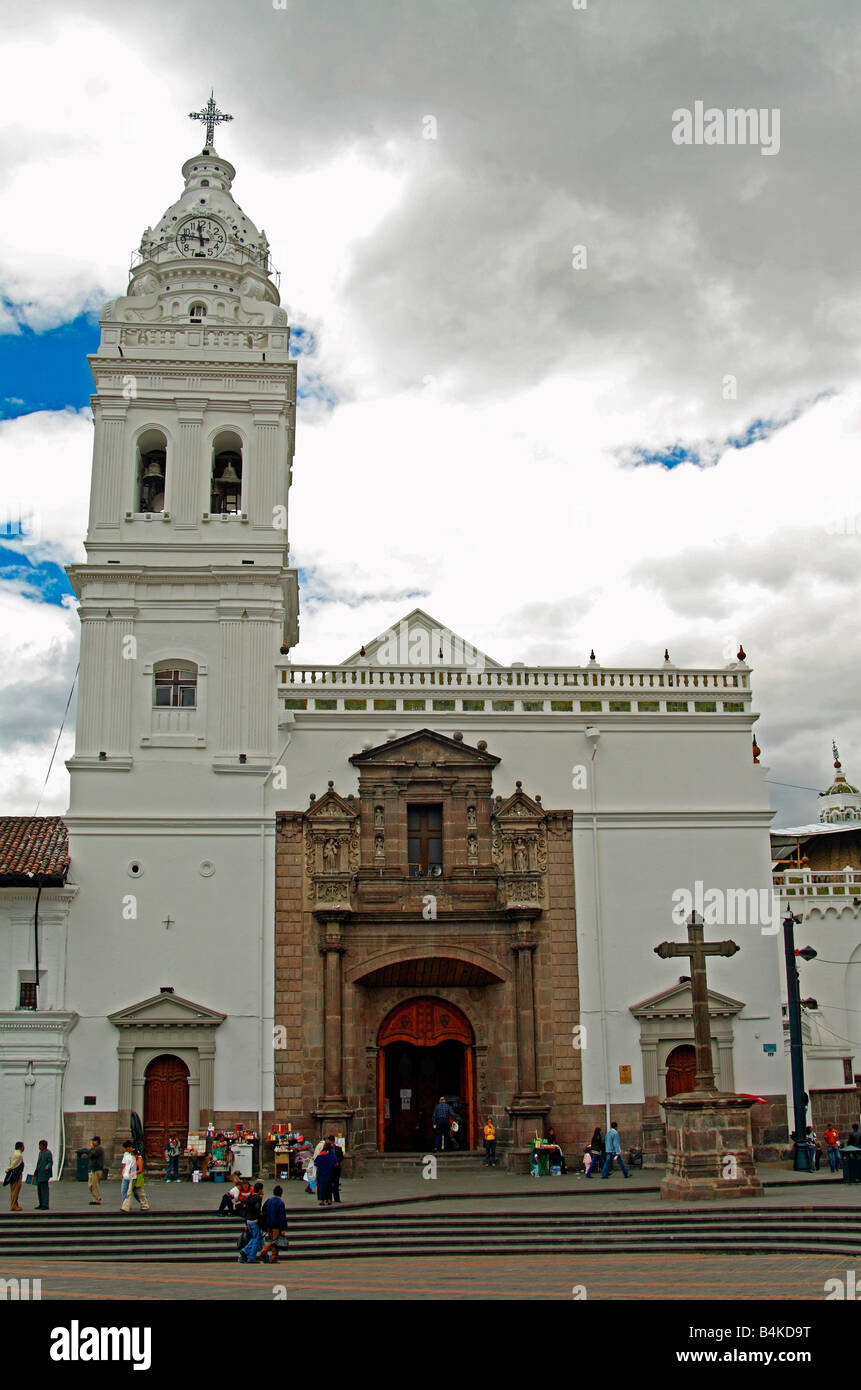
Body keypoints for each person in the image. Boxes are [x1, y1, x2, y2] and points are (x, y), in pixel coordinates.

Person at [260, 1184, 289, 1263]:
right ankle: (266, 1253)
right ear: (281, 1193)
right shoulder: (280, 1203)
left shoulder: (269, 1201)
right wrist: (283, 1228)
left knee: (272, 1240)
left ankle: (272, 1256)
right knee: (275, 1241)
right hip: (276, 1225)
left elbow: (264, 1211)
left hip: (268, 1223)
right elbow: (282, 1216)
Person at [238, 1182, 265, 1262]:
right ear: (260, 1190)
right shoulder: (258, 1198)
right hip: (254, 1221)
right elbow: (257, 1209)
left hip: (248, 1220)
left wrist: (246, 1222)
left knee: (255, 1237)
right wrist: (258, 1218)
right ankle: (251, 1257)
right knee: (256, 1239)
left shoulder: (249, 1197)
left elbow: (246, 1210)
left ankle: (245, 1251)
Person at [315, 1140, 339, 1206]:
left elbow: (315, 1162)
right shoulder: (331, 1154)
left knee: (322, 1186)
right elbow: (336, 1164)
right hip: (330, 1172)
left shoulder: (321, 1154)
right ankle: (329, 1200)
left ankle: (322, 1200)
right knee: (329, 1186)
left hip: (321, 1173)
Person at [4, 1142, 25, 1212]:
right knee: (15, 1191)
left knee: (13, 1190)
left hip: (13, 1174)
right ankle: (13, 1206)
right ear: (20, 1147)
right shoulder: (19, 1155)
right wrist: (8, 1169)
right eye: (23, 1146)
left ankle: (15, 1204)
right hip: (16, 1175)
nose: (24, 1147)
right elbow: (13, 1165)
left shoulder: (14, 1153)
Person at [34, 1139, 53, 1210]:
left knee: (44, 1190)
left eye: (40, 1145)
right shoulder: (40, 1153)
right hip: (39, 1174)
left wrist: (48, 1166)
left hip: (44, 1174)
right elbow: (38, 1163)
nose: (39, 1147)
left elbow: (50, 1162)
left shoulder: (48, 1153)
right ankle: (41, 1203)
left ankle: (45, 1204)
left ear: (44, 1146)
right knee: (39, 1190)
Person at [327, 1134, 345, 1204]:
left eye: (331, 1141)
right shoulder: (326, 1148)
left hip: (336, 1168)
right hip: (329, 1168)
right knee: (329, 1184)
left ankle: (337, 1198)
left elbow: (341, 1157)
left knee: (336, 1183)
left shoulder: (338, 1148)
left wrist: (336, 1161)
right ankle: (329, 1198)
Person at [88, 1136, 105, 1205]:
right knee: (91, 1185)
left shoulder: (99, 1149)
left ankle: (96, 1199)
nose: (92, 1142)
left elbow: (92, 1155)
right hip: (93, 1169)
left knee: (95, 1185)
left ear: (97, 1142)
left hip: (97, 1169)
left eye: (93, 1141)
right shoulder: (95, 1149)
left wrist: (91, 1149)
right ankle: (97, 1196)